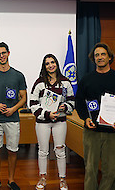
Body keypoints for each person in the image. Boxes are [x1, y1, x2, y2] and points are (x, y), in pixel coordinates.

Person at [75, 43, 115, 190]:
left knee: (111, 172)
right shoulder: (86, 79)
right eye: (96, 55)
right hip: (91, 132)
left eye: (103, 54)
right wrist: (85, 118)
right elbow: (79, 102)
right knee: (90, 170)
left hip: (113, 133)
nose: (99, 57)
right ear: (93, 59)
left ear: (109, 57)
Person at [0, 42, 27, 190]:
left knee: (12, 150)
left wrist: (13, 109)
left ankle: (11, 180)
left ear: (8, 53)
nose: (1, 56)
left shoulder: (18, 75)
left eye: (3, 53)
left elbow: (23, 98)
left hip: (12, 119)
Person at [29, 54, 75, 190]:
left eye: (53, 62)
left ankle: (62, 179)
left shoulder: (65, 82)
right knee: (43, 151)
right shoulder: (39, 83)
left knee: (60, 151)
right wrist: (47, 114)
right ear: (44, 66)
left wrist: (65, 107)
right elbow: (32, 104)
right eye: (47, 63)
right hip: (43, 122)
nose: (51, 65)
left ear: (56, 64)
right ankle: (42, 178)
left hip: (60, 121)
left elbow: (72, 101)